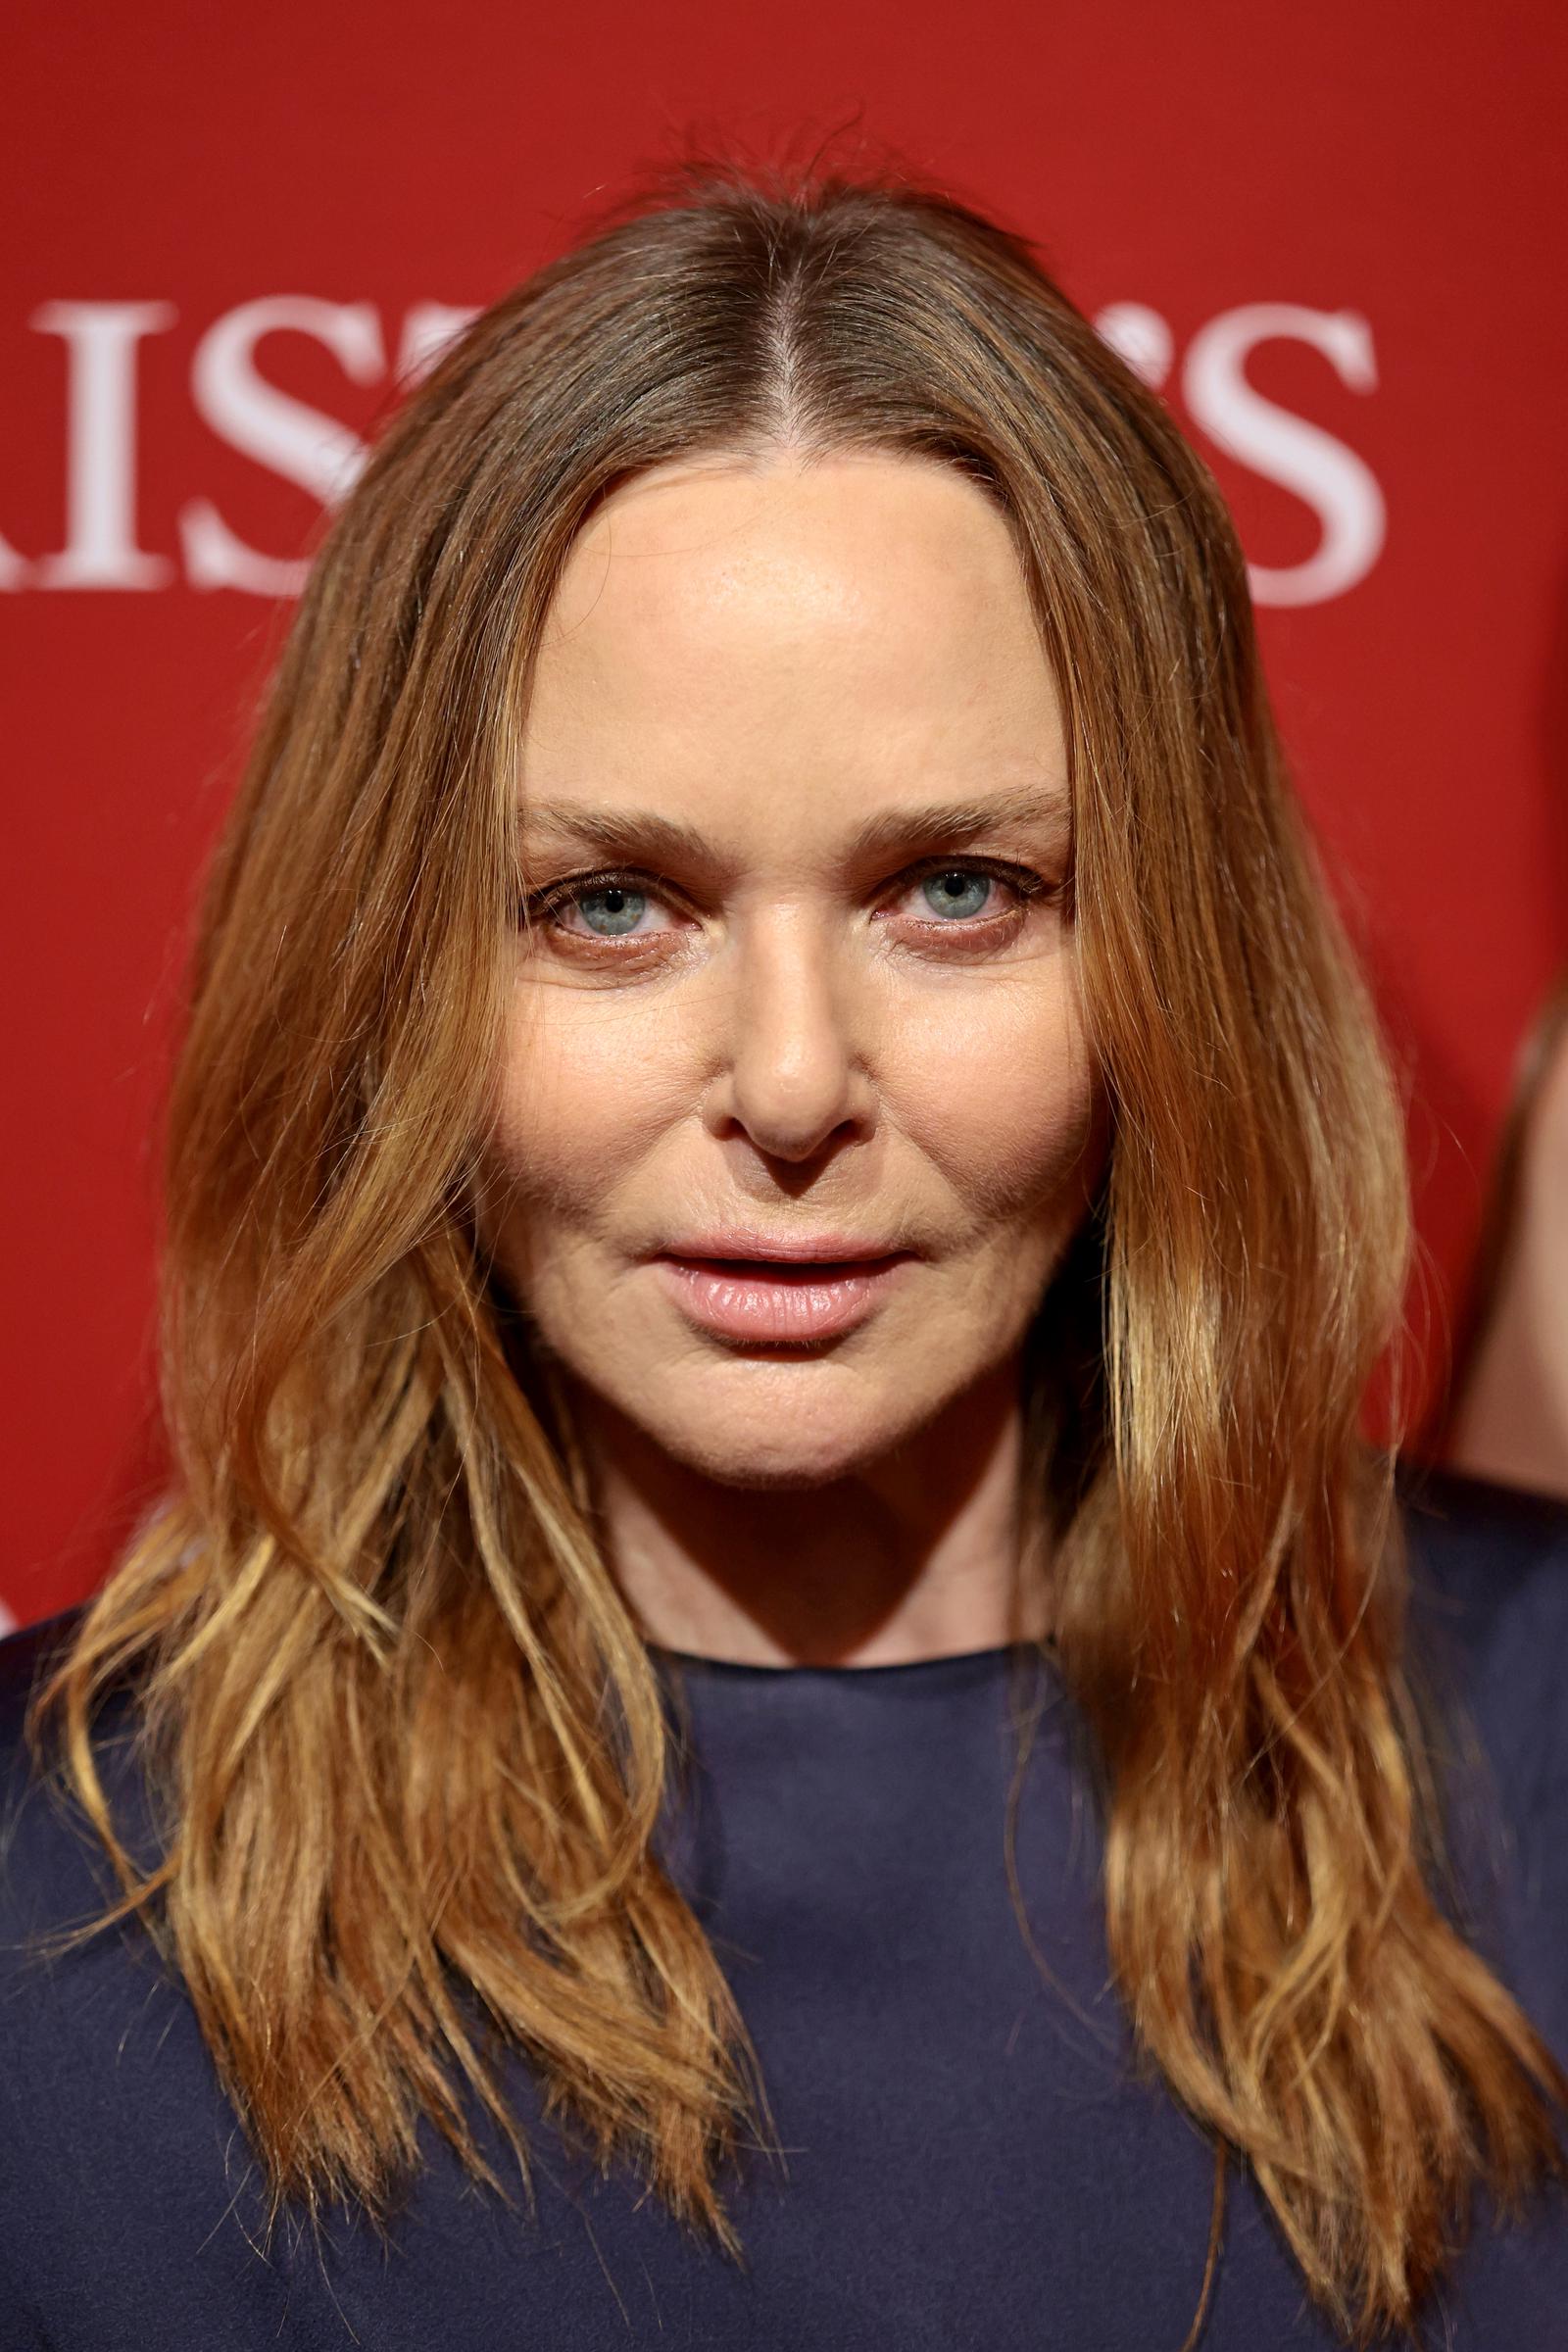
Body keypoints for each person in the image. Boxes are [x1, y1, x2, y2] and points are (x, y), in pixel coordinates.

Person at [3, 154, 1567, 2352]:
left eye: (955, 888)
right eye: (607, 906)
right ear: (384, 978)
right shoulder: (45, 1913)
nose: (794, 1082)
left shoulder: (1531, 1751)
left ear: (1174, 963)